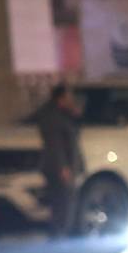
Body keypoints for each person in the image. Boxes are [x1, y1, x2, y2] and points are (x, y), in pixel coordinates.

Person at [31, 82, 85, 236]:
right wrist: (63, 167)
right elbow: (55, 144)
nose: (71, 99)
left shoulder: (63, 114)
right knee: (62, 202)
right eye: (69, 96)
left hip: (66, 166)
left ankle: (60, 233)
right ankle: (58, 234)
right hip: (59, 169)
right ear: (61, 98)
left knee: (65, 202)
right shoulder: (52, 116)